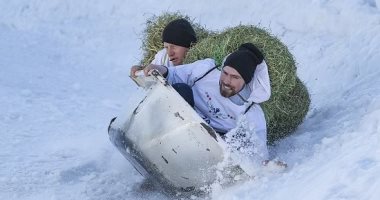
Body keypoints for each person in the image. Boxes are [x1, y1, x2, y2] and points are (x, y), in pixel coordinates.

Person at [139, 43, 271, 161]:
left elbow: (258, 153)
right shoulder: (206, 70)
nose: (226, 81)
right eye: (225, 73)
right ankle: (146, 135)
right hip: (179, 123)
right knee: (180, 89)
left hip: (207, 146)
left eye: (235, 77)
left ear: (246, 81)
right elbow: (173, 74)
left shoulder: (251, 111)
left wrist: (267, 165)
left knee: (240, 139)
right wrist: (159, 69)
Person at [130, 18, 197, 76]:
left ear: (190, 45)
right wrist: (141, 69)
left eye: (174, 47)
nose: (170, 53)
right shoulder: (163, 57)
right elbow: (149, 70)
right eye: (166, 47)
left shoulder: (201, 66)